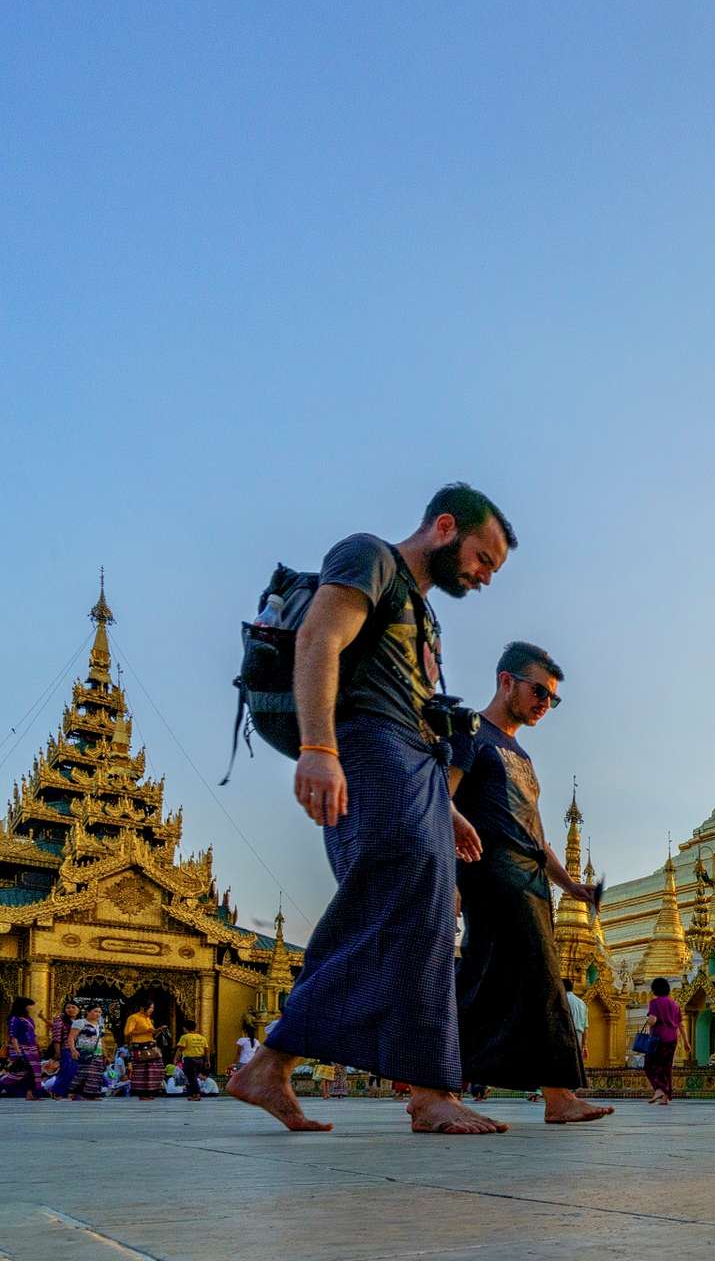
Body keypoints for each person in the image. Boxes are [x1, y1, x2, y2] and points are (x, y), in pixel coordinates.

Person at [229, 484, 515, 1136]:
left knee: (428, 916)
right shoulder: (370, 558)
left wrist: (447, 808)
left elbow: (421, 715)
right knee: (395, 903)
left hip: (413, 766)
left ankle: (281, 1067)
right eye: (482, 558)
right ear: (445, 527)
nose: (483, 576)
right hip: (365, 745)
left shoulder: (427, 619)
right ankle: (425, 1091)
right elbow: (319, 642)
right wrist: (319, 746)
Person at [447, 641, 610, 1127]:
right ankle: (555, 1096)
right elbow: (441, 798)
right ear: (506, 681)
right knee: (533, 979)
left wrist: (572, 887)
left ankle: (440, 1086)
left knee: (495, 982)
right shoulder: (469, 732)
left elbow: (536, 836)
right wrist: (449, 878)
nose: (545, 703)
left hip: (530, 880)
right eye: (539, 690)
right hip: (489, 871)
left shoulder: (521, 755)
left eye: (552, 698)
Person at [642, 977, 681, 1105]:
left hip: (658, 1038)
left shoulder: (655, 1002)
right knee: (666, 1067)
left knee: (649, 1065)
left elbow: (653, 1020)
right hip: (673, 1038)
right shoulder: (675, 1004)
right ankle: (665, 1097)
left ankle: (658, 1089)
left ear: (654, 989)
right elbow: (681, 1024)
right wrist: (686, 1042)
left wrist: (648, 1019)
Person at [6, 998, 49, 1100]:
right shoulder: (15, 1019)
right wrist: (18, 1052)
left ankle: (31, 1094)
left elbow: (33, 1035)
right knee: (26, 1071)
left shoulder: (29, 1019)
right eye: (30, 1005)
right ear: (23, 1006)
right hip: (21, 1048)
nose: (32, 1007)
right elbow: (13, 1036)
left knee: (35, 1072)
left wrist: (38, 1048)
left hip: (32, 1049)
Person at [121, 999, 165, 1100]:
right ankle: (142, 1094)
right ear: (143, 1008)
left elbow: (151, 1033)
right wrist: (144, 1031)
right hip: (140, 1047)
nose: (152, 1010)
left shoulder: (148, 1019)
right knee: (142, 1072)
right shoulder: (133, 1017)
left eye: (153, 1008)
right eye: (150, 1007)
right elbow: (127, 1032)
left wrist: (158, 1030)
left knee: (155, 1070)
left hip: (151, 1046)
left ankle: (150, 1092)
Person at [69, 1006, 106, 1100]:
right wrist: (73, 1049)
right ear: (88, 1012)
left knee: (96, 1074)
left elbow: (101, 1040)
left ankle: (92, 1094)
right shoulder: (80, 1022)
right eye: (95, 1011)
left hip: (98, 1052)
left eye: (99, 1012)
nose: (98, 1014)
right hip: (85, 1052)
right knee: (84, 1072)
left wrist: (105, 1054)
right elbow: (71, 1037)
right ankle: (75, 1093)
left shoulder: (100, 1025)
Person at [46, 1000, 81, 1097]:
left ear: (78, 1010)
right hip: (66, 1049)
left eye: (73, 1007)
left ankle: (71, 1093)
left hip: (78, 1050)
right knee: (67, 1071)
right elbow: (56, 1037)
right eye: (68, 1008)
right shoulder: (60, 1020)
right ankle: (57, 1092)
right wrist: (57, 1052)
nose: (70, 1009)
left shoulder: (80, 1021)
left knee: (76, 1072)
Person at [176, 1019, 211, 1101]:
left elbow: (180, 1049)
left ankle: (197, 1095)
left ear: (185, 1028)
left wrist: (176, 1058)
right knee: (193, 1077)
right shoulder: (202, 1038)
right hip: (200, 1060)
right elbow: (207, 1051)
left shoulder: (185, 1037)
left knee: (191, 1078)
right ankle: (193, 1094)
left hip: (189, 1060)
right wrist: (207, 1061)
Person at [564, 979, 590, 1061]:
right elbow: (585, 1026)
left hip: (565, 1032)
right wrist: (584, 1045)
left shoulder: (563, 1000)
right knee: (575, 1060)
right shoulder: (582, 1003)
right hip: (579, 1034)